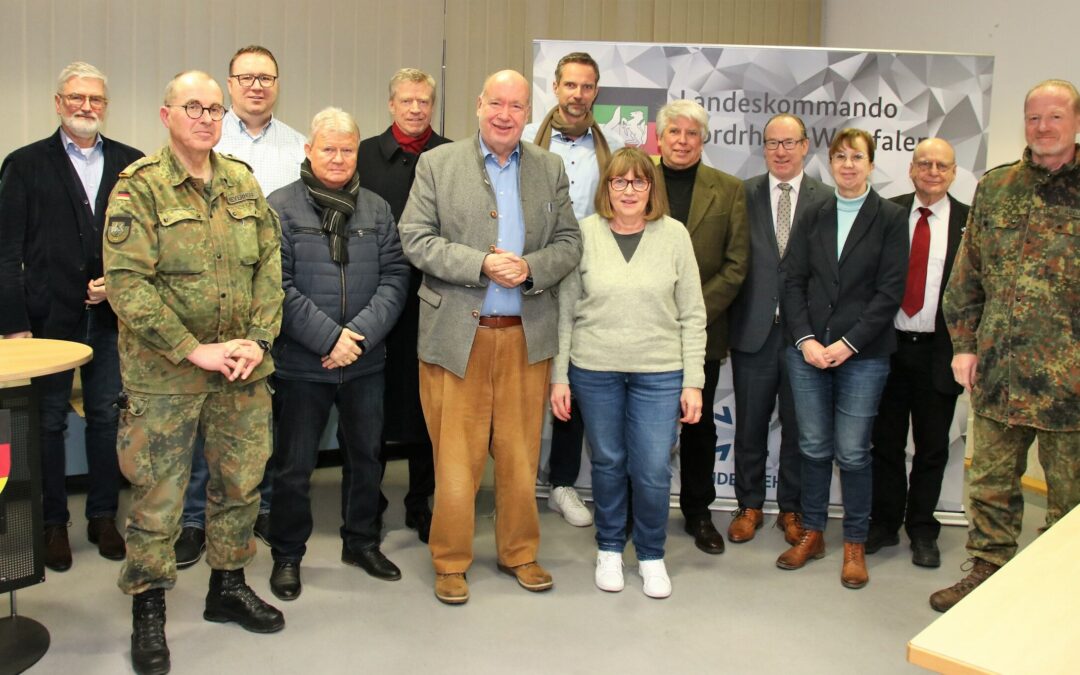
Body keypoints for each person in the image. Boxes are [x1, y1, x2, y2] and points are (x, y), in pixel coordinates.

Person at [103, 70, 285, 675]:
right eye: (193, 107)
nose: (206, 118)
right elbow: (129, 287)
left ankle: (226, 587)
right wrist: (193, 349)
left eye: (213, 108)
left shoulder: (241, 181)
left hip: (242, 370)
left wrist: (257, 340)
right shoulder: (139, 188)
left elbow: (269, 267)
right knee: (158, 498)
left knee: (239, 485)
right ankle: (148, 608)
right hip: (165, 377)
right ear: (166, 116)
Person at [397, 69, 581, 605]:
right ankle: (450, 561)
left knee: (521, 456)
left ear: (528, 112)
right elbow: (415, 239)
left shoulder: (549, 167)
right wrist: (481, 263)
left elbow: (570, 242)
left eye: (516, 106)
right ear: (478, 105)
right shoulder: (437, 163)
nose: (505, 114)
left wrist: (529, 269)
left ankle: (520, 552)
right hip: (459, 337)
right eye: (496, 103)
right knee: (455, 460)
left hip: (526, 337)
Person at [930, 79, 1080, 612]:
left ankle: (1061, 593)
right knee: (991, 485)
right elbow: (965, 278)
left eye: (1055, 117)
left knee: (1071, 502)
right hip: (998, 374)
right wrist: (964, 346)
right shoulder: (997, 188)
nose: (1042, 127)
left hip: (1072, 387)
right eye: (1034, 117)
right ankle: (987, 572)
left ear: (1076, 121)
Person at [0, 61, 143, 571]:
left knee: (107, 417)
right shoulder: (24, 164)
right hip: (46, 322)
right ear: (59, 103)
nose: (87, 107)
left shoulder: (133, 164)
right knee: (50, 422)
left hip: (110, 320)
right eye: (77, 98)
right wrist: (14, 324)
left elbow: (149, 247)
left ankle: (103, 516)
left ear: (106, 106)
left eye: (97, 100)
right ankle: (52, 523)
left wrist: (120, 284)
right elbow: (5, 250)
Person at [266, 107, 409, 601]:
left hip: (365, 362)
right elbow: (275, 287)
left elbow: (395, 278)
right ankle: (287, 556)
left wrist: (358, 338)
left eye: (347, 149)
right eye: (328, 148)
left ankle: (361, 542)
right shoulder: (279, 207)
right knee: (293, 466)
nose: (338, 157)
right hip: (303, 364)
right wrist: (329, 340)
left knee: (367, 459)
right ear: (308, 150)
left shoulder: (375, 209)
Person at [551, 147, 706, 598]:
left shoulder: (675, 236)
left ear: (651, 189)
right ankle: (610, 548)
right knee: (608, 462)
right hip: (594, 369)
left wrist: (693, 381)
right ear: (607, 188)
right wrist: (560, 376)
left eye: (639, 182)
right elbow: (565, 313)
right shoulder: (584, 234)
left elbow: (693, 314)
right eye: (619, 181)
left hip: (658, 373)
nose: (629, 190)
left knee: (653, 468)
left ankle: (653, 555)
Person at [176, 45, 306, 569]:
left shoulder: (299, 146)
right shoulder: (204, 138)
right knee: (200, 425)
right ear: (230, 85)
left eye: (266, 77)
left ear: (277, 84)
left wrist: (265, 324)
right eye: (246, 77)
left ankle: (262, 509)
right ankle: (192, 521)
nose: (256, 86)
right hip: (206, 317)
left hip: (267, 310)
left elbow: (282, 243)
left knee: (261, 423)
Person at [777, 128, 908, 589]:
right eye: (840, 156)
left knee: (853, 452)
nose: (848, 164)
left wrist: (849, 344)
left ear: (871, 164)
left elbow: (890, 291)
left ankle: (854, 541)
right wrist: (806, 340)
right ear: (829, 163)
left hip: (864, 355)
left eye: (857, 156)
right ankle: (813, 533)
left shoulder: (891, 218)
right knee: (812, 448)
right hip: (809, 352)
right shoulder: (813, 213)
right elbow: (791, 282)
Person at [524, 51, 624, 529]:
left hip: (585, 283)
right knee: (521, 385)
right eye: (569, 86)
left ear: (596, 93)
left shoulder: (614, 153)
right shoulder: (524, 143)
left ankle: (561, 482)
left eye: (586, 87)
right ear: (556, 88)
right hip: (527, 278)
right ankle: (518, 484)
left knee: (573, 386)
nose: (577, 95)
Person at [356, 68, 451, 544]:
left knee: (430, 407)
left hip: (438, 301)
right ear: (391, 104)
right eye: (407, 101)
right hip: (374, 302)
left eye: (424, 102)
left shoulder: (456, 155)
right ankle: (368, 503)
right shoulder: (362, 156)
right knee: (371, 406)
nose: (416, 110)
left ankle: (422, 502)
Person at [653, 99, 749, 555]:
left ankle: (698, 512)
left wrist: (690, 312)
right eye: (675, 132)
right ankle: (640, 510)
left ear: (703, 139)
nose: (683, 141)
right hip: (642, 329)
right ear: (660, 137)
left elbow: (736, 264)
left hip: (702, 332)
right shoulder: (634, 179)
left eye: (692, 134)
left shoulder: (728, 190)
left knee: (698, 425)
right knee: (644, 425)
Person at [729, 113, 830, 547]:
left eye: (790, 142)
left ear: (806, 146)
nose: (782, 151)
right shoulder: (743, 193)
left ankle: (791, 509)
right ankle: (748, 504)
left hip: (805, 337)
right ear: (763, 147)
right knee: (749, 425)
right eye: (773, 143)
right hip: (753, 331)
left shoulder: (826, 199)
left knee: (798, 427)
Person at [866, 138, 968, 569]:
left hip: (937, 353)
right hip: (887, 348)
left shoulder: (970, 220)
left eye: (941, 166)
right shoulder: (885, 213)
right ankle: (884, 523)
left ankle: (923, 528)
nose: (931, 171)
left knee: (931, 447)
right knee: (884, 443)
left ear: (953, 172)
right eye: (923, 163)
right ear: (910, 169)